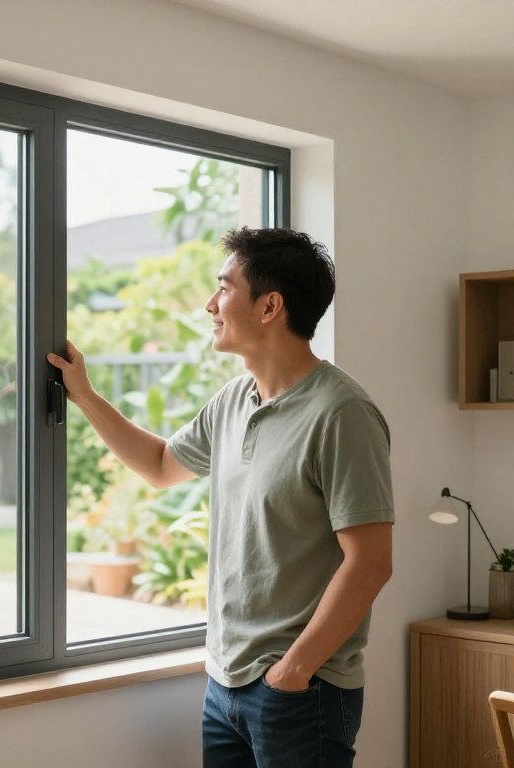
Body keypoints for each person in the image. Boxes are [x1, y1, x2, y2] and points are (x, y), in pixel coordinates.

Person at [47, 227, 394, 768]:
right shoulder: (234, 400)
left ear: (269, 306)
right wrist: (85, 396)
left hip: (302, 692)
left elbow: (370, 563)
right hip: (226, 685)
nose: (210, 304)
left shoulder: (341, 414)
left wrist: (293, 671)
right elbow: (162, 466)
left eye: (224, 288)